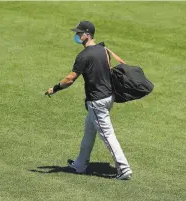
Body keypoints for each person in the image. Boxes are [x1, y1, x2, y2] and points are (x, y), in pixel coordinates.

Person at [45, 21, 132, 180]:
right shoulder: (103, 50)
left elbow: (70, 79)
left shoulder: (83, 56)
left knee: (107, 135)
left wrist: (55, 88)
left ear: (87, 34)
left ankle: (124, 169)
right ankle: (80, 164)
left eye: (79, 33)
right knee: (89, 131)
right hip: (108, 97)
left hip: (97, 101)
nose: (77, 35)